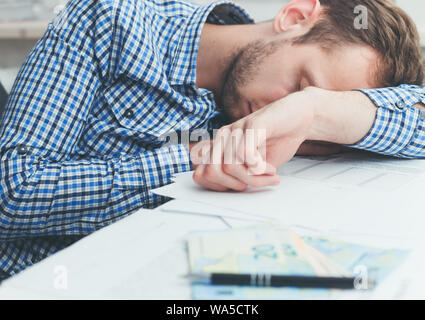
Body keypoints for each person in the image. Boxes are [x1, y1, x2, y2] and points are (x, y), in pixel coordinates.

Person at [0, 0, 422, 279]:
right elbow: (11, 193)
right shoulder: (109, 21)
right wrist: (198, 158)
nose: (276, 118)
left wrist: (313, 110)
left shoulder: (297, 119)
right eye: (300, 83)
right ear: (294, 18)